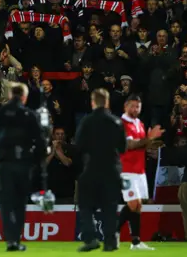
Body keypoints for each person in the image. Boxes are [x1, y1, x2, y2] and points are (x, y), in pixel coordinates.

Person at [0, 83, 46, 251]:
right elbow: (40, 141)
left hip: (5, 164)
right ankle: (16, 239)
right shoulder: (29, 114)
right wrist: (37, 162)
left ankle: (10, 240)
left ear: (10, 94)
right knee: (20, 203)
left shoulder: (0, 112)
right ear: (24, 96)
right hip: (23, 164)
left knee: (6, 203)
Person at [75, 88, 125, 252]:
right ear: (108, 102)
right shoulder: (116, 122)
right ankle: (110, 241)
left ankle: (90, 237)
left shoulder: (87, 121)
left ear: (93, 102)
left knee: (85, 204)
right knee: (110, 207)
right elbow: (123, 147)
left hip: (92, 167)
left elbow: (79, 145)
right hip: (112, 169)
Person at [116, 95, 163, 250]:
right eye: (132, 106)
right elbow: (129, 145)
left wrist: (151, 141)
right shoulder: (121, 124)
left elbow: (142, 145)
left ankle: (135, 242)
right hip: (127, 169)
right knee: (133, 203)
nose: (135, 109)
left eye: (138, 106)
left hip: (139, 169)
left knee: (138, 206)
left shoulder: (140, 123)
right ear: (125, 106)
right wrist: (148, 138)